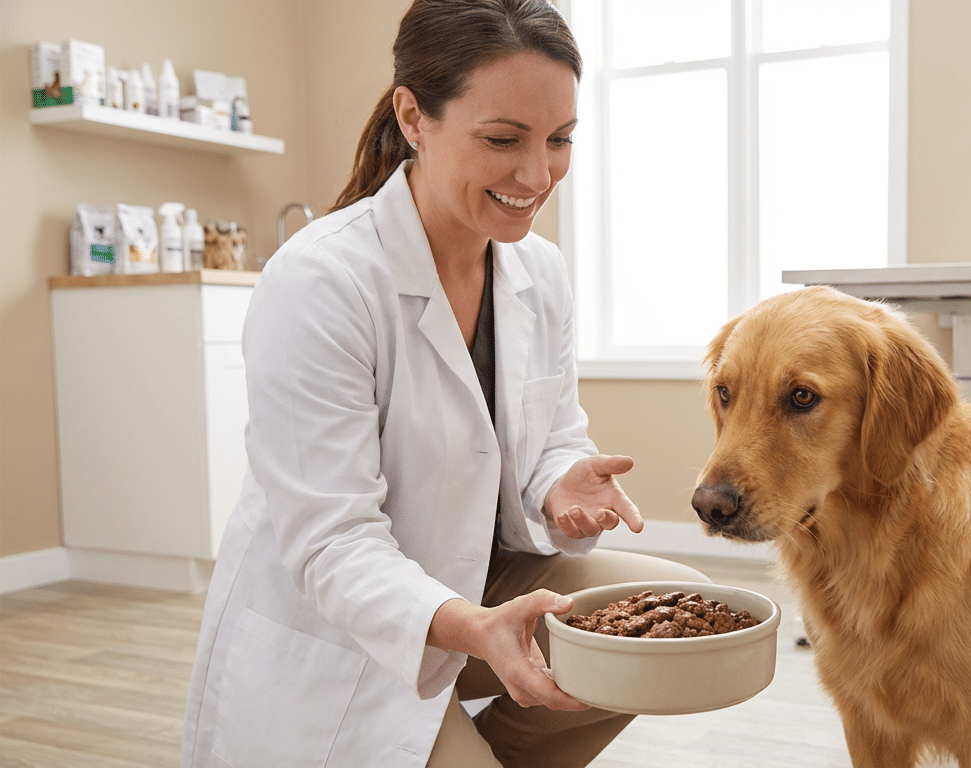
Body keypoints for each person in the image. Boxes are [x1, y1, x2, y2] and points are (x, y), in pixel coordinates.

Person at [180, 1, 707, 766]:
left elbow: (552, 428)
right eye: (503, 140)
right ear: (414, 116)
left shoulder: (538, 272)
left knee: (660, 634)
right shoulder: (321, 282)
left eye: (559, 140)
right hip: (342, 629)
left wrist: (560, 482)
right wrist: (469, 626)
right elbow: (332, 544)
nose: (537, 175)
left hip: (478, 575)